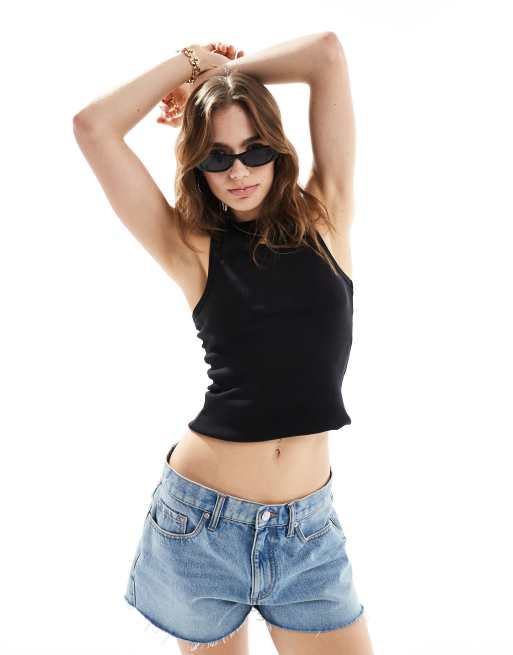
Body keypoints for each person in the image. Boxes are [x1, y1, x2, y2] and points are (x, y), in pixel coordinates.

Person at [73, 34, 374, 655]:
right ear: (197, 166)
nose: (238, 171)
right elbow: (93, 127)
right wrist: (190, 64)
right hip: (201, 526)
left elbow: (325, 53)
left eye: (254, 150)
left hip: (308, 531)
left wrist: (223, 79)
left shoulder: (328, 215)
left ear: (277, 151)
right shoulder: (190, 247)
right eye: (217, 157)